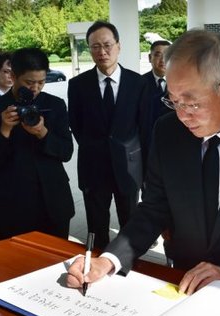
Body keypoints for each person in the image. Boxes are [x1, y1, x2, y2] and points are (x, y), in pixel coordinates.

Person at [67, 29, 220, 296]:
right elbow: (154, 208)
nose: (182, 115)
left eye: (192, 103)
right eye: (173, 101)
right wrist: (109, 260)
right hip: (184, 283)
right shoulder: (167, 131)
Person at [68, 21, 150, 249]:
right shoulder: (77, 85)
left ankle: (128, 266)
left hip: (129, 167)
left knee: (130, 223)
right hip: (93, 167)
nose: (102, 52)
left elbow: (144, 128)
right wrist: (93, 147)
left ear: (118, 46)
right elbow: (75, 123)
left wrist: (147, 169)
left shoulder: (139, 83)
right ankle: (95, 265)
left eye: (107, 45)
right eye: (95, 47)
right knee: (96, 226)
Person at [0, 47, 74, 240]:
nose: (35, 88)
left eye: (41, 82)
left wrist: (43, 133)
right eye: (29, 82)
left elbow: (66, 152)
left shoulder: (54, 105)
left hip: (54, 200)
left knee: (58, 260)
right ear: (13, 76)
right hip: (15, 205)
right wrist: (4, 130)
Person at [142, 40, 172, 144]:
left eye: (167, 55)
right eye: (158, 55)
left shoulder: (180, 83)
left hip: (173, 139)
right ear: (150, 58)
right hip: (147, 141)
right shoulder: (139, 83)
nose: (163, 60)